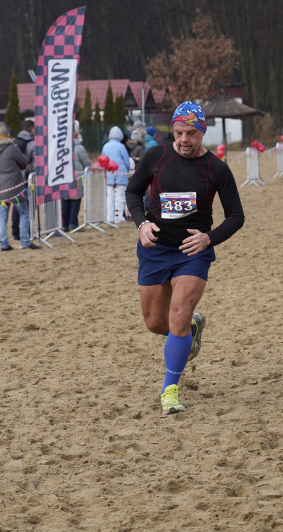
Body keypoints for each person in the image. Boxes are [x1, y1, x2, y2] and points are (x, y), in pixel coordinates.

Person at [126, 101, 245, 416]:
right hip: (154, 249)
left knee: (177, 315)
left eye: (191, 133)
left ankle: (170, 390)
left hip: (193, 253)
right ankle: (189, 329)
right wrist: (142, 224)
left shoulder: (216, 168)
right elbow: (132, 192)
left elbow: (236, 216)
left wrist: (209, 238)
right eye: (178, 133)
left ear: (202, 131)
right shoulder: (156, 156)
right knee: (155, 324)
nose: (183, 139)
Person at [0, 123, 38, 250]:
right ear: (7, 135)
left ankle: (4, 244)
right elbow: (24, 161)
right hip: (15, 187)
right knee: (24, 212)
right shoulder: (11, 148)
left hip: (0, 188)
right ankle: (25, 241)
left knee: (2, 215)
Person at [61, 127, 91, 231]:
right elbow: (87, 163)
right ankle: (73, 223)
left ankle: (64, 225)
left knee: (65, 201)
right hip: (76, 178)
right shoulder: (79, 148)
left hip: (63, 178)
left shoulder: (61, 148)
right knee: (75, 201)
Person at [10, 116, 34, 241]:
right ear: (32, 129)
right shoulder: (29, 143)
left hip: (14, 178)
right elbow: (26, 161)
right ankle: (27, 232)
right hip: (25, 177)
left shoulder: (16, 141)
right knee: (26, 207)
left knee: (16, 206)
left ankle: (15, 232)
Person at [101, 126, 130, 223]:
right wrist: (126, 171)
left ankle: (110, 217)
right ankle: (119, 218)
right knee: (120, 196)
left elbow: (103, 160)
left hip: (109, 175)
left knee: (110, 196)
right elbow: (126, 161)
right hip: (120, 176)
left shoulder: (105, 146)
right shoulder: (121, 146)